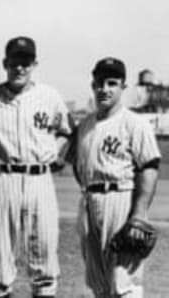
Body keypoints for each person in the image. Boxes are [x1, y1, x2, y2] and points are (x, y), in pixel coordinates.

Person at [0, 36, 73, 298]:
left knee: (45, 262)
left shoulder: (49, 96)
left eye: (26, 63)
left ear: (34, 64)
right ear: (5, 63)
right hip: (4, 178)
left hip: (40, 179)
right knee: (0, 264)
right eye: (15, 62)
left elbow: (68, 130)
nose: (20, 68)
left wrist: (55, 152)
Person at [68, 58, 161, 298]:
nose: (104, 89)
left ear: (123, 87)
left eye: (112, 83)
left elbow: (149, 167)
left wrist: (139, 213)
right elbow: (79, 166)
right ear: (93, 86)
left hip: (120, 199)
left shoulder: (134, 124)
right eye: (100, 83)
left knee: (124, 282)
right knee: (98, 283)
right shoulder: (86, 125)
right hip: (90, 201)